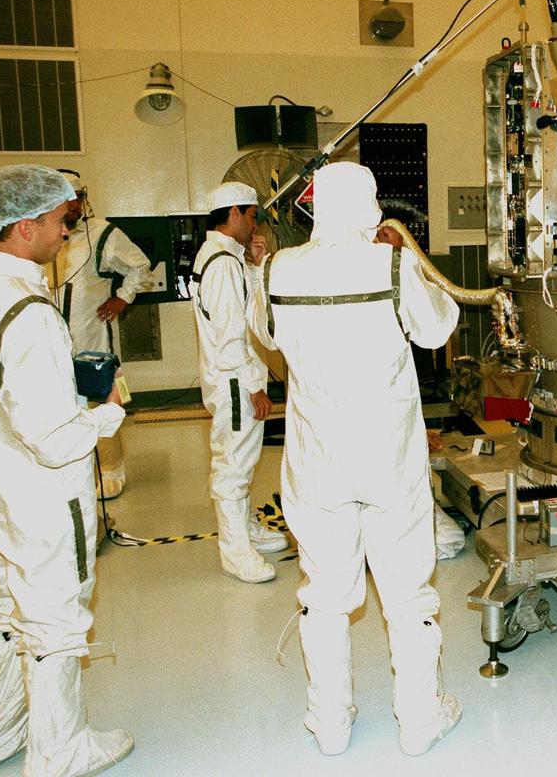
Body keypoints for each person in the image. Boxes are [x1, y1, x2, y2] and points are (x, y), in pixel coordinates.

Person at [248, 162, 461, 756]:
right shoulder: (391, 264)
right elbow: (438, 328)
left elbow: (264, 335)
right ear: (370, 207)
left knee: (324, 593)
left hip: (317, 461)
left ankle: (331, 724)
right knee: (408, 592)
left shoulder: (276, 270)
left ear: (316, 208)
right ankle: (420, 721)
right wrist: (408, 264)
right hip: (389, 457)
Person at [0, 165, 133, 775]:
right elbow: (52, 440)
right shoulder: (27, 308)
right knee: (54, 616)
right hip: (40, 497)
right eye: (58, 223)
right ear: (24, 228)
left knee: (9, 606)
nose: (65, 234)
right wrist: (105, 416)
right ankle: (60, 751)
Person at [190, 181, 289, 583]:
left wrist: (255, 264)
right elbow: (232, 336)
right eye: (251, 215)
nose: (254, 224)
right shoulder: (223, 264)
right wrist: (255, 386)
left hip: (229, 376)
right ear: (233, 213)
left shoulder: (223, 257)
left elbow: (239, 307)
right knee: (233, 465)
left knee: (241, 462)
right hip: (234, 380)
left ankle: (244, 529)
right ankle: (235, 553)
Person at [48, 170, 159, 497]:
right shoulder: (42, 238)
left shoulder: (102, 233)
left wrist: (122, 298)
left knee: (105, 402)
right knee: (61, 407)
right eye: (66, 199)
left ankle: (111, 469)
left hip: (93, 340)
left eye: (78, 198)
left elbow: (141, 267)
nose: (74, 205)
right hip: (52, 344)